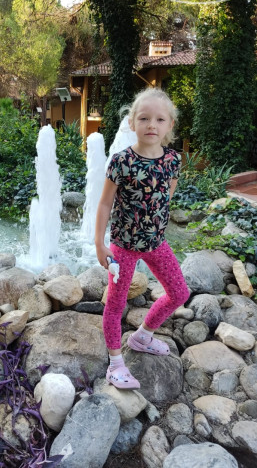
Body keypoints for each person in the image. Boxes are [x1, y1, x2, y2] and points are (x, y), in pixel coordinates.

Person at [95, 88, 190, 389]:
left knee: (179, 293)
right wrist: (99, 243)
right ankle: (115, 364)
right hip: (122, 246)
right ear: (132, 122)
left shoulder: (172, 160)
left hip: (156, 243)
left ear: (170, 125)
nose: (152, 125)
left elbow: (166, 195)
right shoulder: (121, 161)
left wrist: (154, 224)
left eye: (160, 119)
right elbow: (105, 204)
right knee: (115, 304)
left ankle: (143, 336)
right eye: (144, 118)